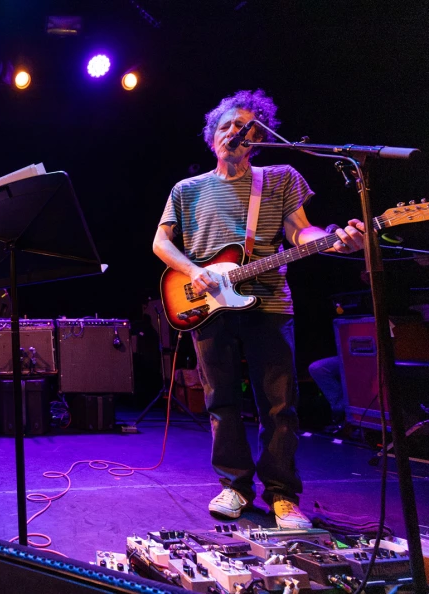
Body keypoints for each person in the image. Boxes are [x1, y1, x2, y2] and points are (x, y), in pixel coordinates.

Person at [152, 89, 365, 529]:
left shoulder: (281, 177)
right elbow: (161, 242)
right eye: (227, 125)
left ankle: (283, 495)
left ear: (261, 137)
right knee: (221, 400)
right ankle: (233, 485)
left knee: (280, 404)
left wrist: (333, 240)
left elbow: (300, 233)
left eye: (246, 126)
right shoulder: (187, 189)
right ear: (213, 136)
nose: (235, 132)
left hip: (269, 303)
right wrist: (194, 271)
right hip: (208, 305)